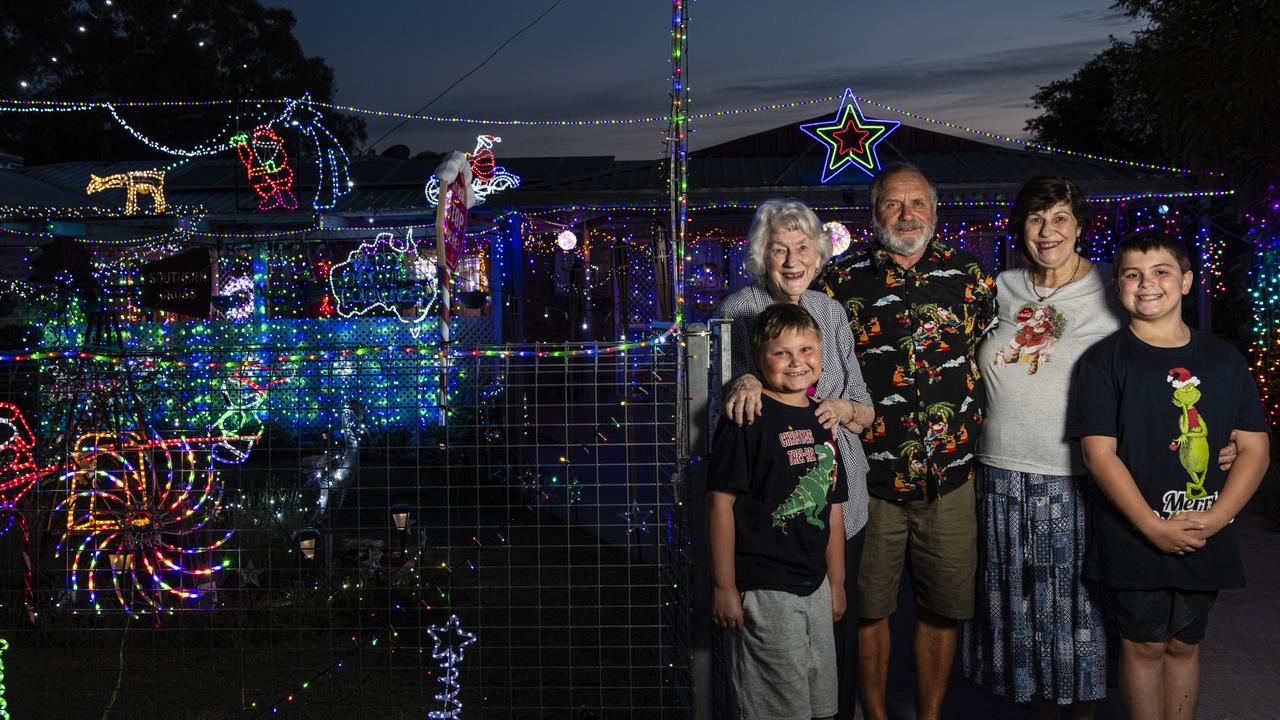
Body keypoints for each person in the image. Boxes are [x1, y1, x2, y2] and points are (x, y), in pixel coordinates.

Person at [1068, 231, 1270, 720]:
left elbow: (1254, 449)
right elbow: (1100, 456)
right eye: (1133, 275)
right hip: (1134, 534)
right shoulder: (1102, 362)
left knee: (1184, 644)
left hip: (1206, 530)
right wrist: (1152, 525)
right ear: (1118, 287)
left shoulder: (1223, 360)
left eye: (1161, 272)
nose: (1147, 284)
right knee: (1143, 646)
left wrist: (1217, 518)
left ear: (1186, 281)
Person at [819, 163, 997, 720]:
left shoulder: (970, 274)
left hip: (951, 477)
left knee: (943, 610)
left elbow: (993, 357)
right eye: (893, 204)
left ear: (934, 211)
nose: (906, 214)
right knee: (868, 610)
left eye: (917, 202)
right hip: (870, 479)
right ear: (874, 214)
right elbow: (797, 349)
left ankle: (930, 715)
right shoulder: (839, 281)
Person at [960, 177, 1119, 719]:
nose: (1047, 231)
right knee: (1013, 604)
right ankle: (1029, 705)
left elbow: (1156, 362)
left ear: (1079, 225)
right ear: (1020, 226)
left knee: (1076, 606)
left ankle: (1082, 711)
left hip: (1076, 474)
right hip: (998, 472)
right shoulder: (1001, 285)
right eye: (1035, 218)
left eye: (1059, 218)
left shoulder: (1111, 286)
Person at [717, 197, 875, 720]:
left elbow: (866, 410)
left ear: (818, 254)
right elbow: (720, 399)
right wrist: (741, 380)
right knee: (773, 654)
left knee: (831, 634)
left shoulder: (830, 312)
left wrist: (843, 406)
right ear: (762, 254)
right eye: (779, 248)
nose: (791, 259)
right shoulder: (739, 310)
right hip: (771, 506)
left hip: (834, 499)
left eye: (802, 248)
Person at [708, 302, 849, 719]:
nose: (796, 362)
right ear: (758, 359)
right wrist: (724, 587)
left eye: (806, 350)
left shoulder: (824, 418)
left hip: (815, 585)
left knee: (819, 704)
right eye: (781, 352)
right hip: (765, 589)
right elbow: (720, 504)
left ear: (821, 354)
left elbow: (833, 506)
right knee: (775, 707)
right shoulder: (746, 417)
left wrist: (837, 583)